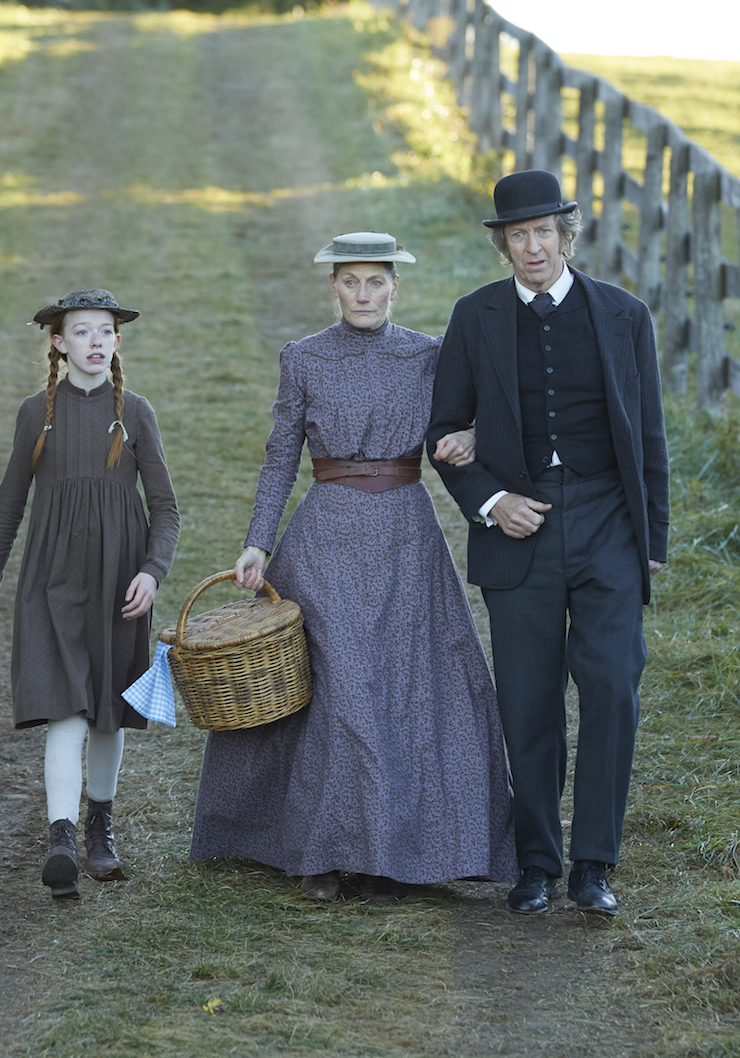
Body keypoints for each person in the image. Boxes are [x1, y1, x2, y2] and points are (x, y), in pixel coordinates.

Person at [190, 232, 517, 903]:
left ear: (397, 287)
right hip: (327, 534)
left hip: (405, 532)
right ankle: (320, 849)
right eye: (351, 282)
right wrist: (257, 540)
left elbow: (481, 422)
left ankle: (394, 850)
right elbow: (282, 453)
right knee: (335, 688)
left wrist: (476, 437)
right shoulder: (303, 358)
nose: (364, 294)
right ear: (333, 286)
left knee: (407, 685)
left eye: (377, 282)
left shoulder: (429, 355)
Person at [426, 171, 669, 917]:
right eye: (517, 236)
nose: (531, 248)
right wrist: (493, 503)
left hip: (607, 526)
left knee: (611, 691)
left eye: (543, 234)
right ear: (503, 245)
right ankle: (536, 862)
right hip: (520, 532)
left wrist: (651, 539)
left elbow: (650, 434)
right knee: (526, 704)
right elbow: (441, 433)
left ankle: (594, 864)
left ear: (567, 238)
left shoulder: (624, 316)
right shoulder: (475, 318)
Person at [0, 289, 180, 901]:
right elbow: (9, 508)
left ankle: (99, 829)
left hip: (119, 582)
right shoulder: (38, 413)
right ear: (58, 343)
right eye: (81, 332)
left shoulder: (135, 413)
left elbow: (165, 510)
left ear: (116, 342)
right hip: (51, 579)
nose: (94, 342)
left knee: (107, 711)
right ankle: (60, 837)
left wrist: (152, 571)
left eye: (105, 331)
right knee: (65, 706)